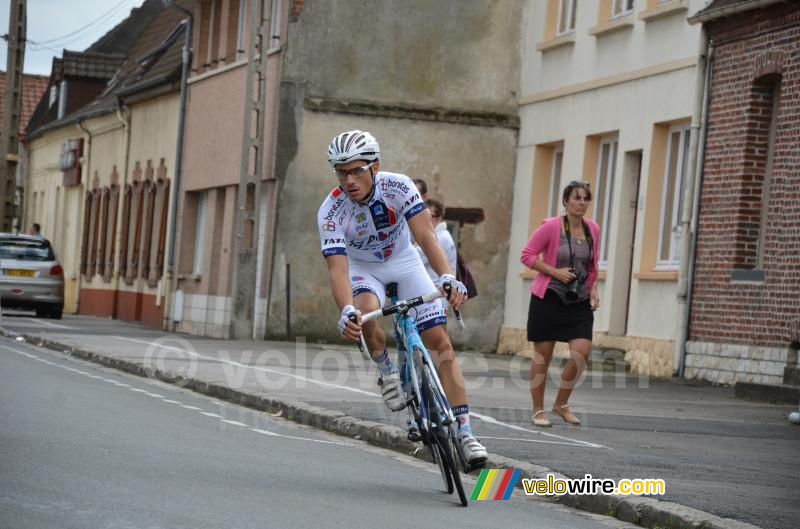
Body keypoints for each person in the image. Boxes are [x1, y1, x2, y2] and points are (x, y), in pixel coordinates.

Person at [317, 130, 488, 465]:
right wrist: (346, 309)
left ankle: (466, 433)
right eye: (341, 172)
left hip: (404, 261)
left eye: (356, 171)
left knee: (440, 343)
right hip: (363, 269)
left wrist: (447, 277)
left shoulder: (398, 186)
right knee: (366, 313)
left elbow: (426, 236)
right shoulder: (331, 211)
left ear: (374, 167)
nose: (349, 180)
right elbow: (337, 270)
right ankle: (386, 370)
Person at [520, 181, 600, 427]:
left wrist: (594, 289)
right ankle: (538, 409)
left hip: (579, 300)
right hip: (549, 298)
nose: (581, 203)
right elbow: (527, 255)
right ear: (566, 201)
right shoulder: (551, 226)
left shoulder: (593, 229)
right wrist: (554, 272)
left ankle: (561, 403)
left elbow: (592, 264)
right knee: (542, 356)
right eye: (576, 198)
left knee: (581, 352)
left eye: (585, 198)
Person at [415, 198, 456, 281]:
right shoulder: (437, 234)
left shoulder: (441, 237)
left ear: (439, 218)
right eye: (421, 215)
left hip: (435, 290)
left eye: (429, 216)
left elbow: (415, 259)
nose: (424, 219)